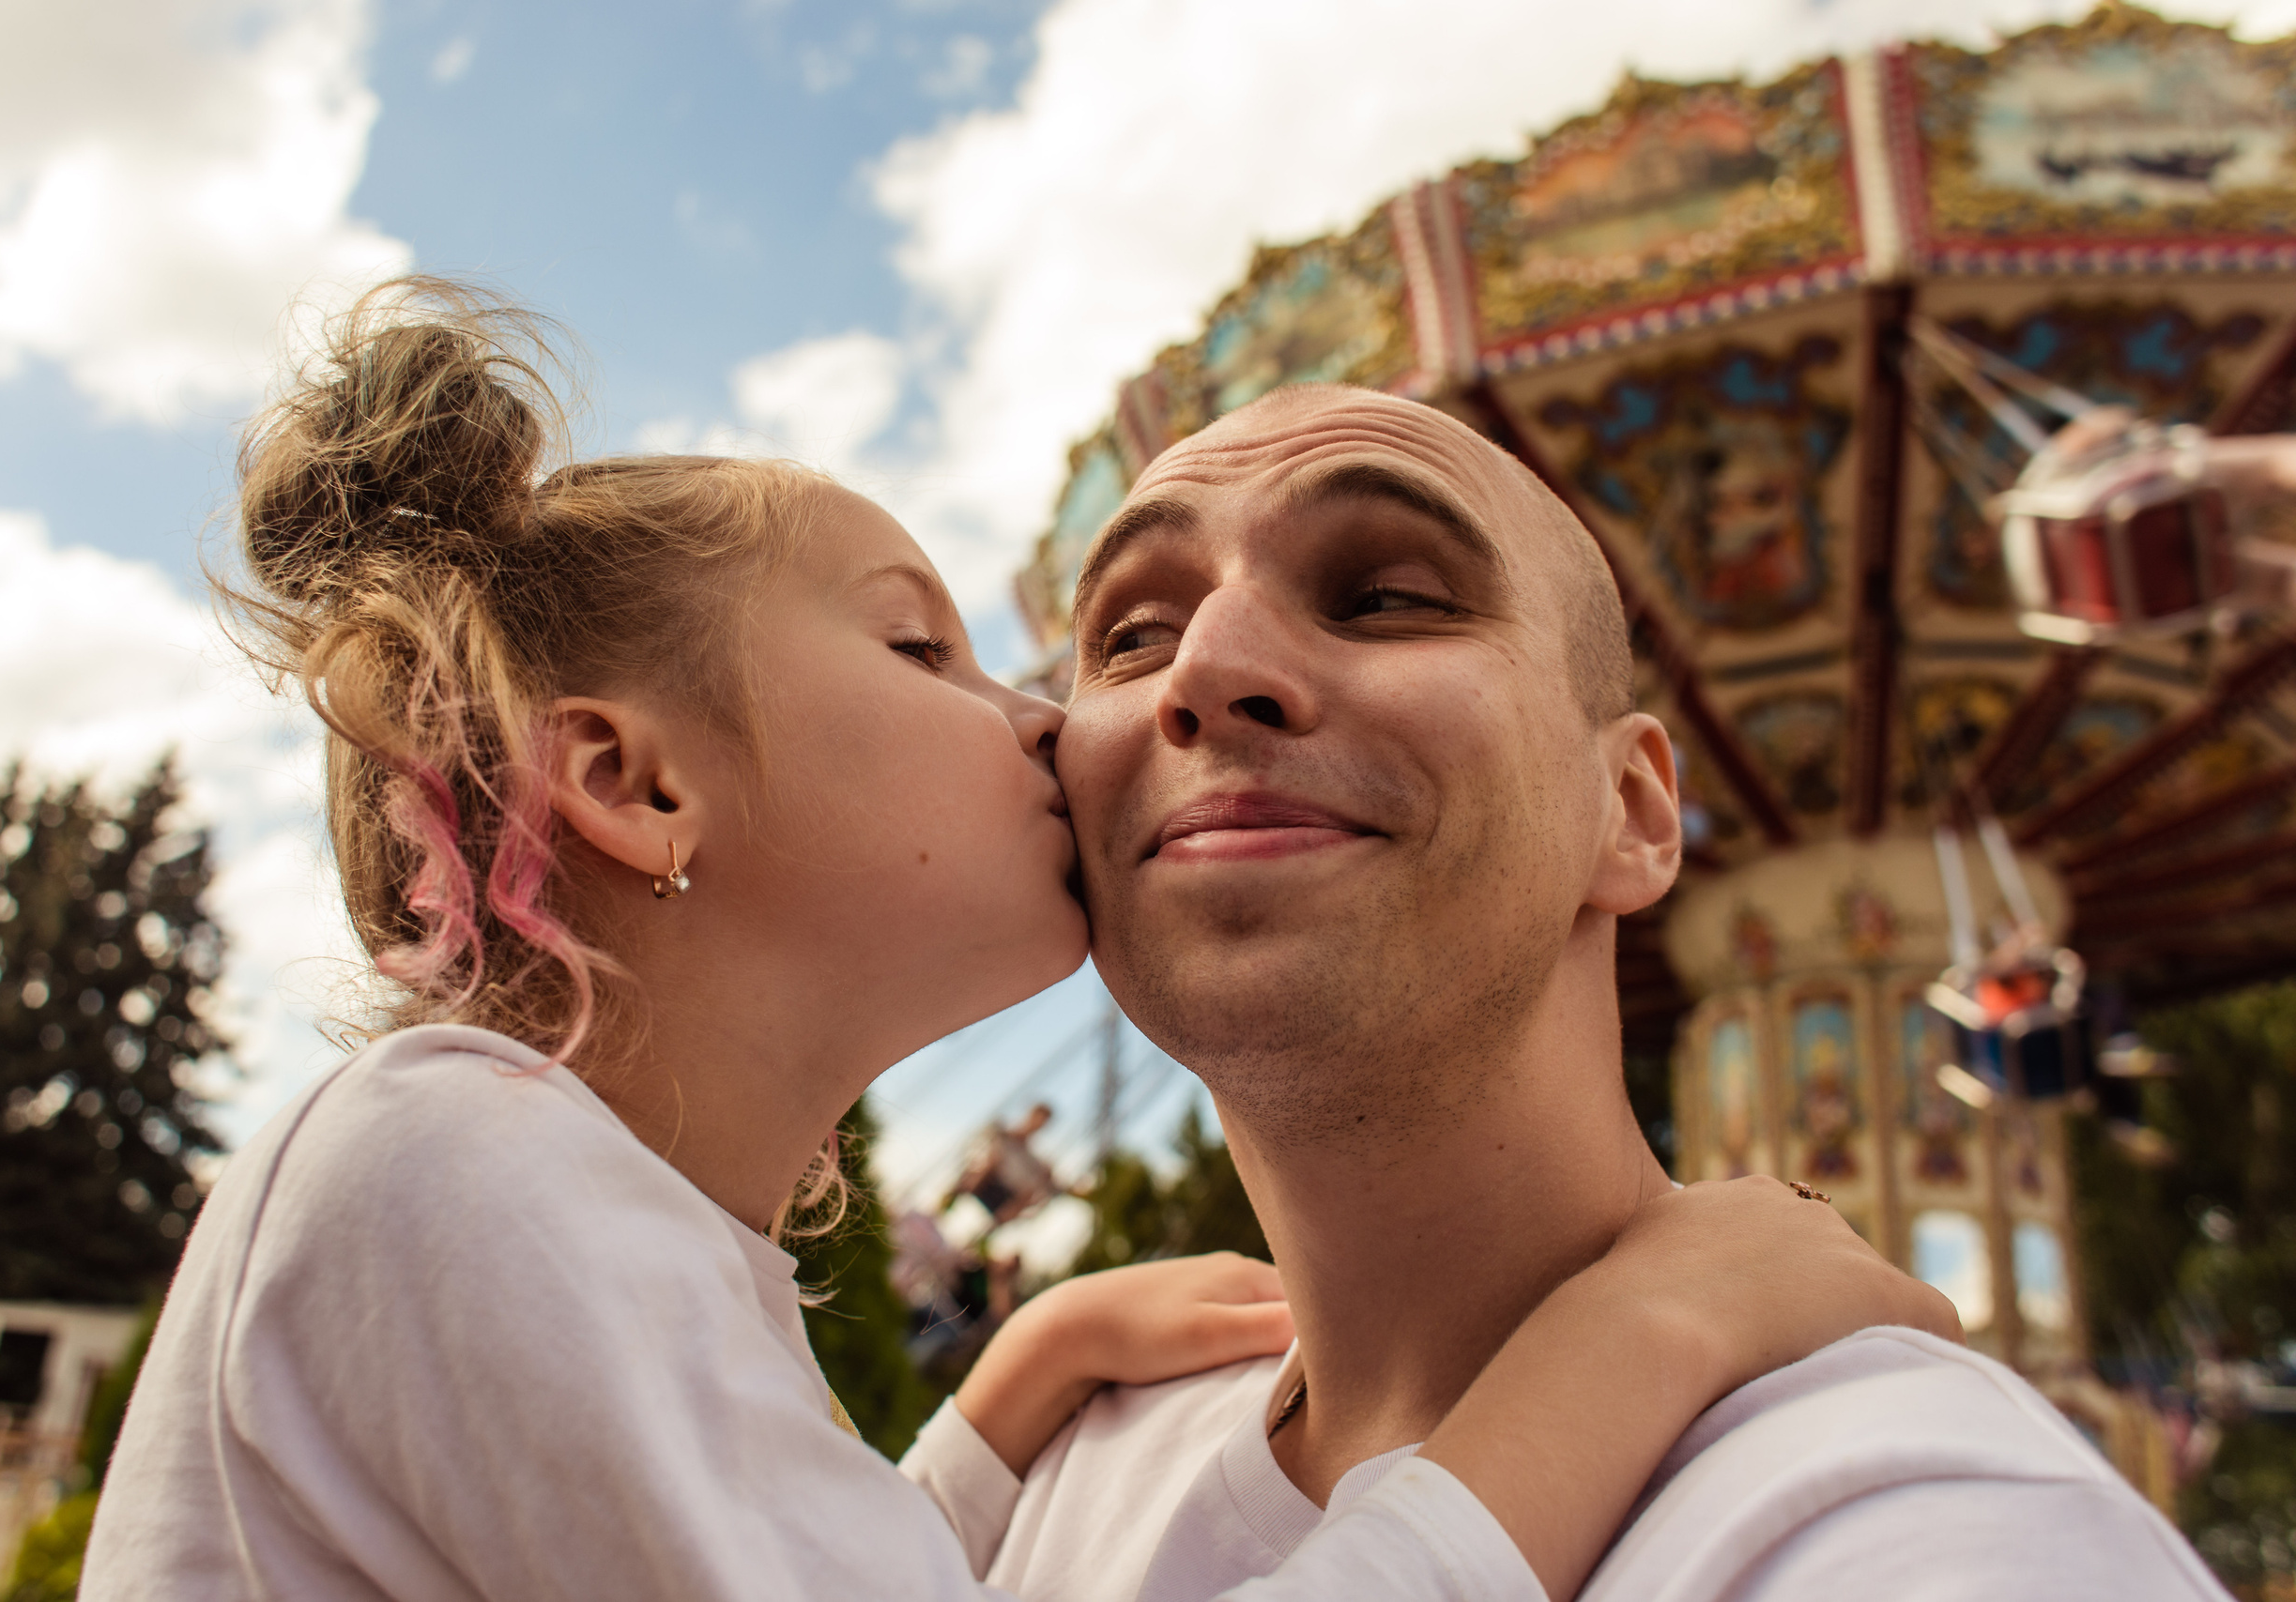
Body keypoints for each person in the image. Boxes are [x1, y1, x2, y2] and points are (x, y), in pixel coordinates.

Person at [80, 282, 1952, 1602]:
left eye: (1380, 592)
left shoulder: (547, 1209)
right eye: (925, 648)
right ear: (631, 785)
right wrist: (1642, 1329)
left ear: (1634, 804)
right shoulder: (451, 1172)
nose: (1044, 721)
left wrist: (986, 1412)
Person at [902, 382, 2226, 1601]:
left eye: (1384, 597)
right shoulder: (1058, 1467)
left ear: (1637, 811)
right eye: (1132, 634)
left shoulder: (1930, 1526)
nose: (1205, 669)